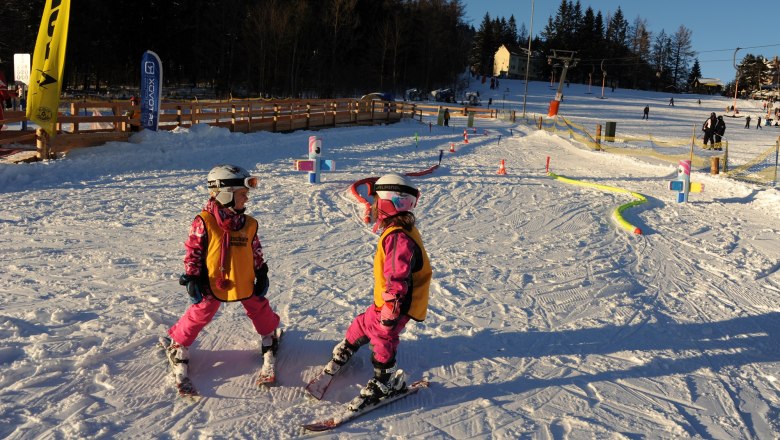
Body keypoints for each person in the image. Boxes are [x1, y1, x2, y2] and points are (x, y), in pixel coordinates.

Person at [322, 173, 431, 412]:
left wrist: (391, 310)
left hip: (397, 305)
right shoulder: (399, 229)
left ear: (386, 203)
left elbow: (397, 276)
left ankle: (385, 382)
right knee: (362, 324)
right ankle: (348, 346)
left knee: (383, 338)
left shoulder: (398, 238)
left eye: (374, 202)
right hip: (386, 302)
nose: (371, 207)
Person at [164, 165, 281, 381]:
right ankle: (178, 342)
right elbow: (194, 250)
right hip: (213, 281)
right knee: (202, 310)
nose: (246, 199)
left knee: (258, 305)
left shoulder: (249, 223)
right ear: (225, 194)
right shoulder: (204, 221)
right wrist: (192, 277)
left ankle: (269, 334)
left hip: (244, 278)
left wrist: (261, 271)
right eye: (242, 194)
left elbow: (255, 249)